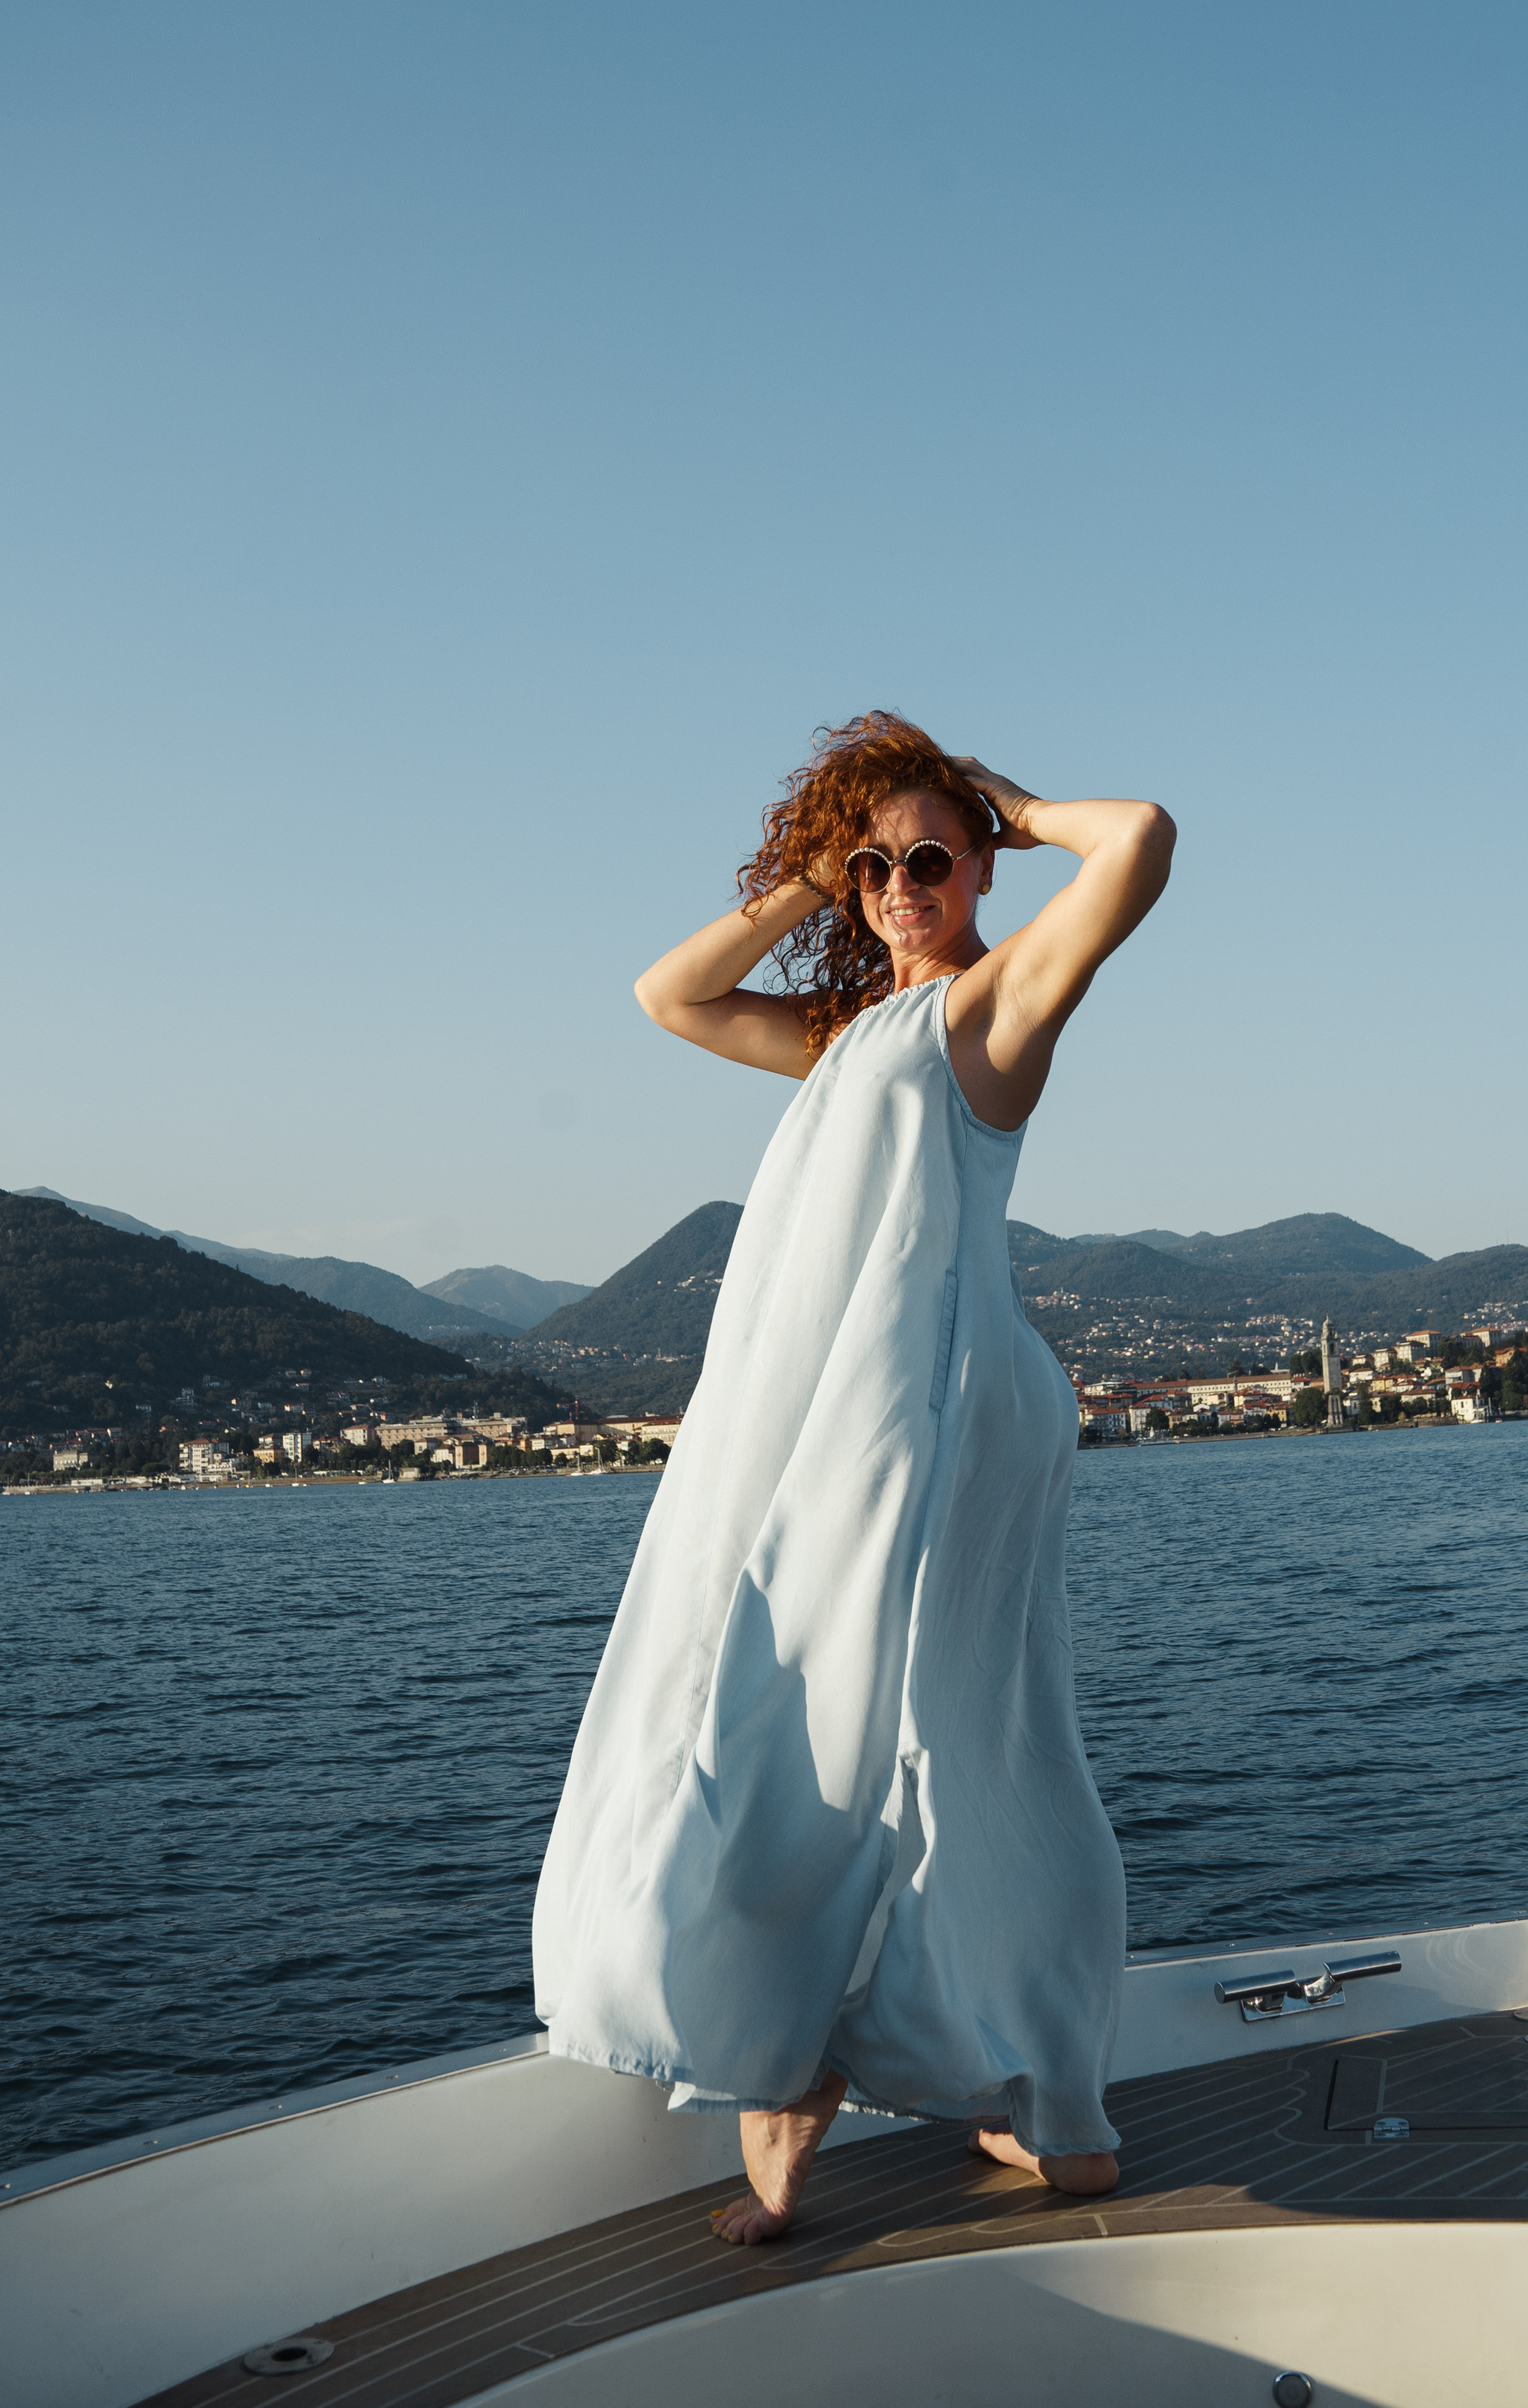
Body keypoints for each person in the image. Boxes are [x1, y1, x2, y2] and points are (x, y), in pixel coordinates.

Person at [532, 712, 1175, 2244]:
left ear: (978, 874)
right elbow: (667, 993)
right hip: (864, 1420)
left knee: (863, 1724)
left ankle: (796, 2075)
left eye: (926, 860)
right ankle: (1034, 2093)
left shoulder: (989, 1007)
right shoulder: (836, 1043)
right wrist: (806, 881)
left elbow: (1141, 835)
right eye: (874, 864)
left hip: (939, 1419)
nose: (900, 885)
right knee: (944, 1738)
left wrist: (1009, 807)